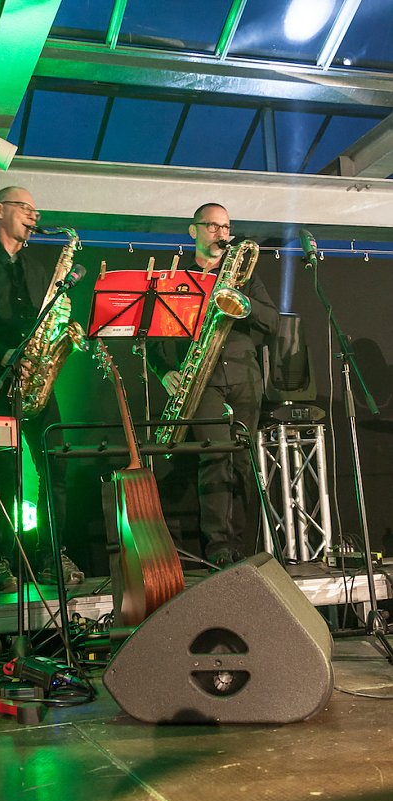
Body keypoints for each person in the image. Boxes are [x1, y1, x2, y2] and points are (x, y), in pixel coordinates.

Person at [0, 185, 84, 592]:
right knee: (3, 472)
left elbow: (47, 319)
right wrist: (1, 354)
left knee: (55, 464)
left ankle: (51, 554)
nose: (34, 215)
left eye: (36, 210)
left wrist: (60, 328)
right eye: (25, 207)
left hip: (38, 378)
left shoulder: (39, 268)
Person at [148, 202, 278, 568]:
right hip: (202, 379)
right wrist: (162, 371)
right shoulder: (179, 278)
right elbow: (157, 336)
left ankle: (244, 545)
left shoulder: (245, 276)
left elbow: (273, 322)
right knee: (215, 457)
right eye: (213, 227)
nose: (222, 234)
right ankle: (219, 547)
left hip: (243, 375)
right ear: (193, 231)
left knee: (242, 461)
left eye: (226, 227)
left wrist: (242, 300)